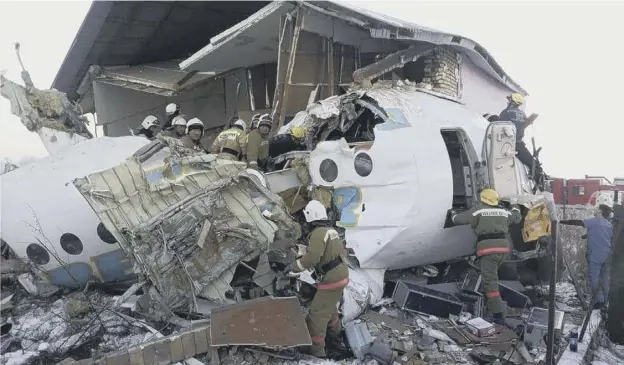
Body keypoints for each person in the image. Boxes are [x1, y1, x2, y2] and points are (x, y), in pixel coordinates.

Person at [282, 200, 349, 358]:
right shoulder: (329, 231)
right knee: (329, 309)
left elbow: (312, 258)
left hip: (332, 278)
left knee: (316, 315)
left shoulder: (318, 233)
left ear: (310, 217)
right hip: (340, 274)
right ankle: (337, 338)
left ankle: (318, 353)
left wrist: (293, 266)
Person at [450, 188, 521, 325]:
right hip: (503, 251)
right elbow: (517, 217)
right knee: (487, 274)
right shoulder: (503, 212)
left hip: (489, 251)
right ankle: (489, 305)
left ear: (483, 199)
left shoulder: (478, 211)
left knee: (490, 283)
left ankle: (499, 316)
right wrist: (515, 205)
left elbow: (457, 220)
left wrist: (452, 213)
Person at [560, 204, 614, 310]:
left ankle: (599, 301)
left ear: (600, 211)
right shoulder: (609, 225)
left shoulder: (594, 221)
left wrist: (560, 221)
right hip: (607, 255)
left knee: (594, 278)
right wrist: (587, 236)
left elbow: (579, 223)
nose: (594, 210)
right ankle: (606, 302)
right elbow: (604, 236)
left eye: (596, 208)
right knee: (605, 279)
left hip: (595, 255)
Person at [498, 93, 534, 170]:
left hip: (507, 143)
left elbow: (499, 126)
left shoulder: (506, 112)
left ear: (514, 102)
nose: (508, 102)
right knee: (531, 162)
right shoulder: (523, 114)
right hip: (520, 144)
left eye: (510, 100)